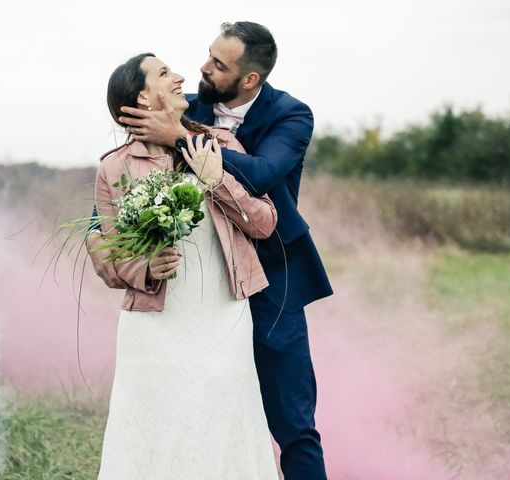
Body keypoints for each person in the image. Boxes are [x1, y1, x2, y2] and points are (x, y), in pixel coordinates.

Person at [88, 22, 333, 480]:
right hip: (179, 301)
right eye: (208, 55)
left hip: (271, 279)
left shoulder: (291, 115)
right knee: (184, 416)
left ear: (249, 80)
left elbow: (260, 177)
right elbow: (107, 215)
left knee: (293, 423)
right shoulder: (188, 109)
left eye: (219, 65)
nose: (200, 69)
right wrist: (128, 259)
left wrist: (184, 140)